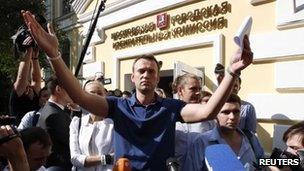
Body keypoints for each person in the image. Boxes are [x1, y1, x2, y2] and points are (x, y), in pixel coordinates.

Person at [22, 10, 253, 170]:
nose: (146, 74)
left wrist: (232, 71)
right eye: (141, 70)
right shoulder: (117, 106)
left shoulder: (170, 108)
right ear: (132, 77)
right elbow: (80, 96)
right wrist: (54, 54)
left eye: (151, 71)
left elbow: (208, 112)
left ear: (156, 78)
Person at [183, 93, 264, 171]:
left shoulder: (251, 138)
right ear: (215, 115)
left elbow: (263, 162)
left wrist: (273, 164)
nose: (232, 117)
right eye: (226, 112)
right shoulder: (201, 142)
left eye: (236, 112)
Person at [172, 74, 216, 166]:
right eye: (193, 89)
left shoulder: (207, 117)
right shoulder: (169, 114)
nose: (197, 93)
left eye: (199, 89)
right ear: (180, 90)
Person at [70, 80, 114, 171]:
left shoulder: (113, 123)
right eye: (92, 93)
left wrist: (87, 160)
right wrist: (105, 158)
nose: (96, 97)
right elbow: (75, 159)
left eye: (99, 93)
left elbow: (117, 156)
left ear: (105, 96)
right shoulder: (77, 122)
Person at [37, 77, 73, 170]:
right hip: (60, 166)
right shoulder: (54, 114)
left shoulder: (50, 110)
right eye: (70, 88)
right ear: (58, 89)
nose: (73, 92)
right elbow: (71, 142)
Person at [9, 46, 41, 125]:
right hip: (21, 134)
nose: (27, 83)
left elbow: (36, 79)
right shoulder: (16, 96)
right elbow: (21, 77)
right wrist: (29, 51)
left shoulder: (36, 95)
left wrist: (35, 58)